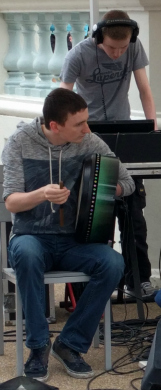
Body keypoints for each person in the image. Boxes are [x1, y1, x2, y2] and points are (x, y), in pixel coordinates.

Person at [1, 88, 134, 381]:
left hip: (76, 241)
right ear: (54, 126)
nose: (87, 129)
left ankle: (70, 343)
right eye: (80, 124)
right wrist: (41, 194)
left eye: (87, 121)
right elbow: (10, 201)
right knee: (25, 253)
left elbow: (127, 182)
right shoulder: (19, 143)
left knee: (112, 263)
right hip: (31, 238)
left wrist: (99, 189)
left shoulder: (90, 142)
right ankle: (38, 347)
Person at [59, 10, 158, 297]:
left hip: (123, 135)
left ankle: (138, 280)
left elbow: (144, 90)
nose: (117, 54)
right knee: (94, 215)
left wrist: (152, 131)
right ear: (98, 37)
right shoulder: (78, 55)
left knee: (133, 213)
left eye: (122, 48)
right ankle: (97, 280)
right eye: (111, 48)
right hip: (86, 136)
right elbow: (62, 97)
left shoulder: (134, 48)